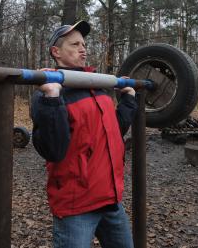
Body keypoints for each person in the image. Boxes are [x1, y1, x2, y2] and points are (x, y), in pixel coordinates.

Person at [31, 20, 137, 248]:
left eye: (84, 44)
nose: (83, 49)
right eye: (75, 44)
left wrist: (128, 100)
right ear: (56, 52)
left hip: (111, 200)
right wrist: (51, 99)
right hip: (76, 205)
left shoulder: (97, 87)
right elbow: (53, 151)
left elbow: (114, 131)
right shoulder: (49, 92)